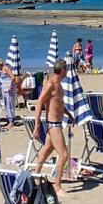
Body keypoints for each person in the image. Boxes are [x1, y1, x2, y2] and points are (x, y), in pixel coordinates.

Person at [31, 60, 71, 196]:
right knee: (64, 155)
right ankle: (57, 186)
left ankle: (36, 175)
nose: (68, 72)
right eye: (67, 69)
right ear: (63, 70)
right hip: (53, 124)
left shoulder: (59, 84)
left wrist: (69, 114)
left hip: (57, 123)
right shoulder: (51, 84)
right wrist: (37, 126)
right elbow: (40, 102)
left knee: (47, 150)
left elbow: (58, 103)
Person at [0, 57, 16, 126]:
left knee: (10, 104)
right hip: (4, 88)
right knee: (6, 104)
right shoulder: (1, 69)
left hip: (9, 88)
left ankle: (11, 121)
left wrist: (10, 86)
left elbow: (13, 77)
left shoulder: (6, 68)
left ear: (0, 64)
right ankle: (8, 119)